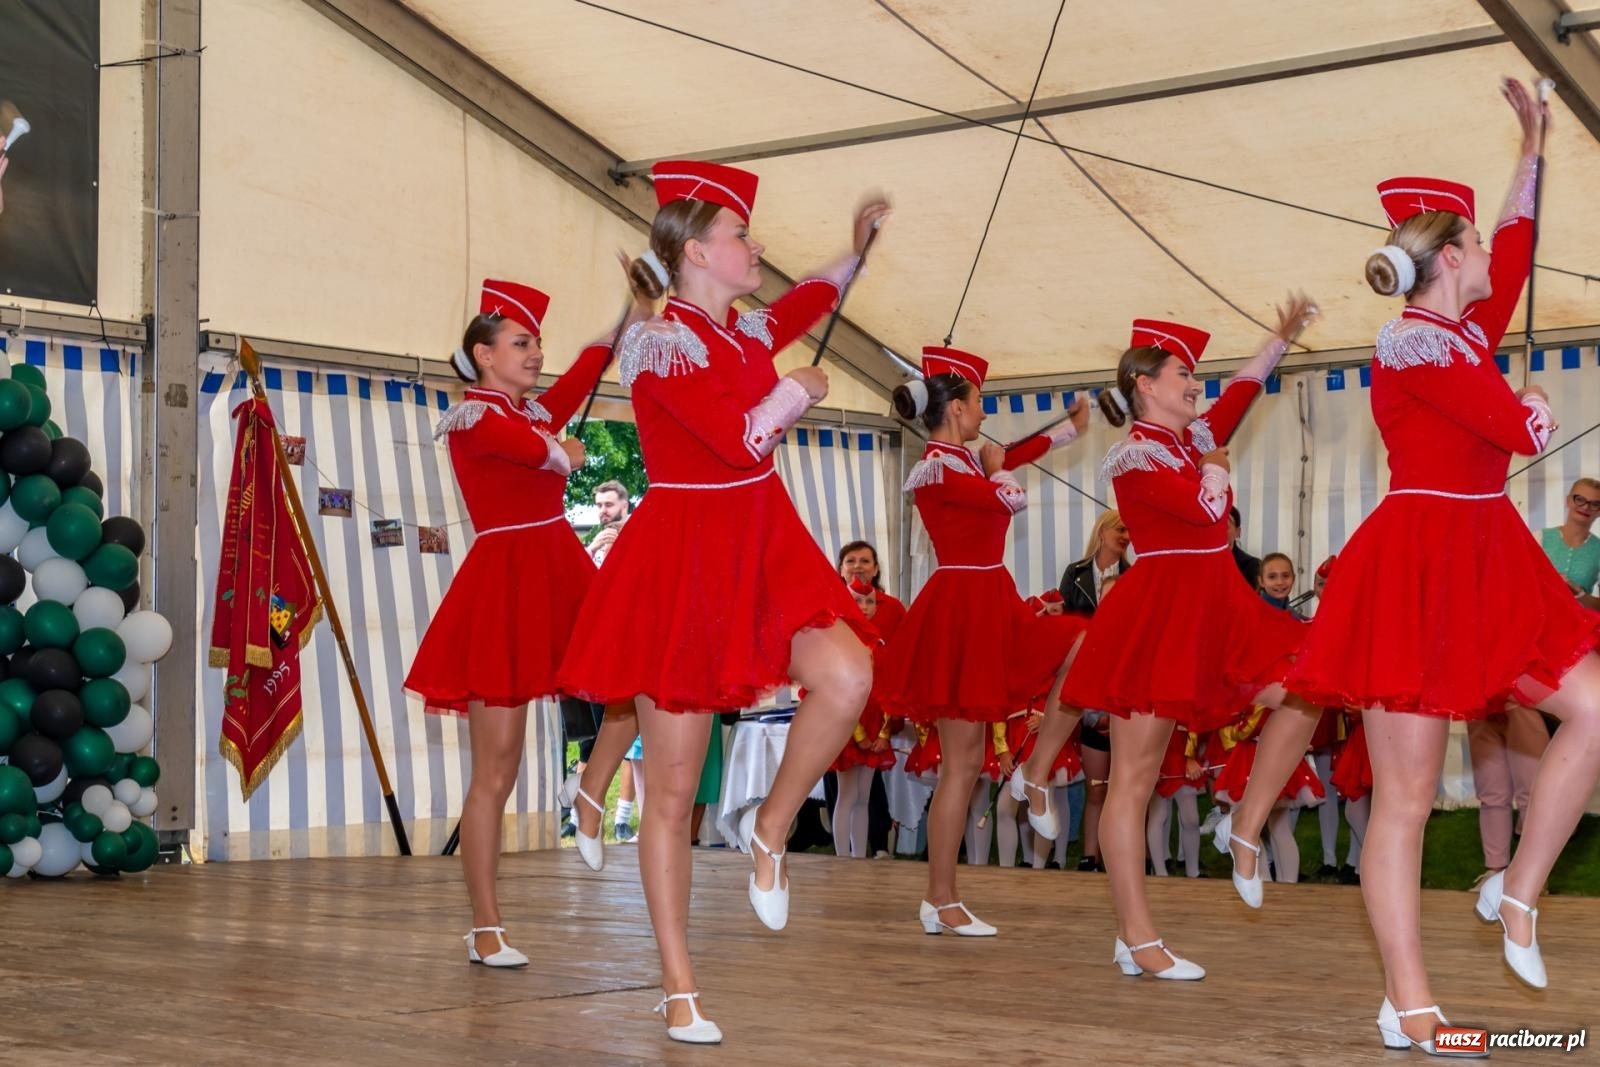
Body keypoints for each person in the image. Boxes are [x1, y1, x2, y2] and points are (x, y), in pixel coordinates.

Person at [1288, 79, 1600, 1052]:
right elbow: (1515, 427)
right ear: (1448, 258)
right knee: (1409, 797)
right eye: (1474, 246)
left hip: (1487, 556)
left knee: (1594, 706)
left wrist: (1533, 147)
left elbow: (1517, 245)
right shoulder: (1410, 340)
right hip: (1417, 566)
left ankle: (1518, 889)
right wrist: (1532, 403)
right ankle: (1408, 996)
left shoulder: (1464, 328)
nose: (1490, 261)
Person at [557, 159, 890, 1043]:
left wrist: (853, 254)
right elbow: (740, 441)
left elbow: (801, 306)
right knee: (671, 793)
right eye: (742, 234)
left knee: (849, 676)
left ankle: (771, 827)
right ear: (698, 250)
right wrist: (797, 392)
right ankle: (678, 984)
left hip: (762, 545)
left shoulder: (742, 330)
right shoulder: (658, 344)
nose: (756, 246)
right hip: (686, 561)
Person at [1057, 305, 1318, 981]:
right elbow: (1206, 510)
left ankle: (1245, 825)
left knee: (1308, 688)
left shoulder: (1189, 440)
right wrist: (1216, 467)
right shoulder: (1136, 453)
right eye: (1183, 373)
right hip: (1161, 620)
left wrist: (1278, 340)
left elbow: (1239, 395)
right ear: (1146, 383)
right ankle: (1136, 936)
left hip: (1218, 612)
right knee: (1134, 780)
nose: (1196, 383)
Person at [405, 278, 638, 969]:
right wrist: (563, 449)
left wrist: (633, 307)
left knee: (634, 681)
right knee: (496, 770)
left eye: (537, 342)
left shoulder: (529, 410)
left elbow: (586, 374)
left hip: (560, 573)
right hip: (505, 587)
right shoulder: (473, 418)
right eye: (521, 342)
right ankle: (485, 924)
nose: (536, 353)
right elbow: (544, 452)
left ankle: (588, 786)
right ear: (484, 355)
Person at [876, 347, 1089, 935]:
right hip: (963, 611)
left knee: (1081, 643)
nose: (984, 412)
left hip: (990, 602)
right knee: (962, 766)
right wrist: (999, 470)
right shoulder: (937, 467)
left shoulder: (960, 461)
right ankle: (940, 898)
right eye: (979, 402)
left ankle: (1034, 772)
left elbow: (1011, 455)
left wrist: (1070, 431)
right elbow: (1009, 495)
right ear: (956, 409)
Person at [1541, 477, 1600, 610]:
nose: (1585, 507)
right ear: (1568, 501)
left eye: (1595, 504)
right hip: (1536, 619)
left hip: (1578, 621)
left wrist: (1579, 593)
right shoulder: (1538, 538)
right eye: (1579, 499)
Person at [1058, 510, 1130, 614]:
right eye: (1121, 530)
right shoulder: (1073, 572)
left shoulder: (1133, 576)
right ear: (1101, 532)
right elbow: (1062, 616)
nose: (1127, 537)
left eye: (1130, 531)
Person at [1229, 506, 1262, 590]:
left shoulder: (1252, 566)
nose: (1218, 530)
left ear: (1237, 532)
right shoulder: (1200, 565)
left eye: (1225, 526)